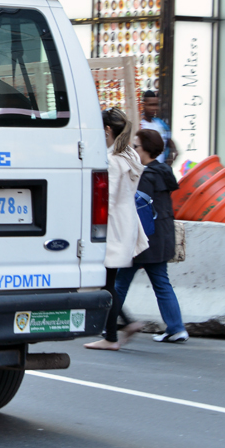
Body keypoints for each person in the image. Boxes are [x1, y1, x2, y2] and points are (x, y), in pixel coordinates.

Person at [115, 129, 189, 343]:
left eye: (136, 146)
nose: (133, 149)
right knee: (161, 283)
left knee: (120, 282)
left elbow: (140, 209)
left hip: (145, 239)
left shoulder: (145, 175)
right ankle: (176, 328)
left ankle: (109, 326)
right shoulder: (163, 171)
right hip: (162, 238)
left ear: (145, 149)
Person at [85, 107, 149, 351]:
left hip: (113, 225)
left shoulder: (112, 161)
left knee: (107, 282)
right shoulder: (130, 156)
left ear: (108, 130)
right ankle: (124, 324)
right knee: (108, 280)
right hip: (127, 222)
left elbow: (106, 200)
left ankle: (111, 336)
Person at [139, 90, 177, 165]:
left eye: (156, 105)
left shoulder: (161, 124)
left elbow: (172, 147)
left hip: (159, 171)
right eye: (151, 105)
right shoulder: (139, 124)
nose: (154, 108)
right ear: (143, 105)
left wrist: (167, 164)